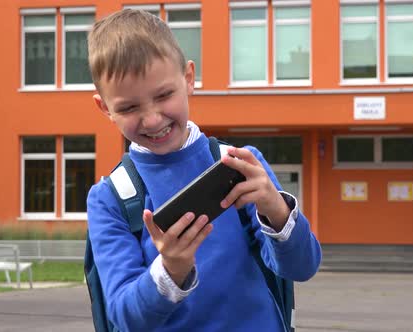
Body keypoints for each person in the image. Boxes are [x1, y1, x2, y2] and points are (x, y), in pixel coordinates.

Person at [86, 9, 322, 331]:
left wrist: (276, 210)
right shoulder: (110, 198)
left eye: (164, 95)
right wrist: (170, 269)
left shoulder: (239, 163)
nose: (153, 119)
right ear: (105, 108)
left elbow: (303, 266)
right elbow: (124, 318)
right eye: (129, 107)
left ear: (188, 79)